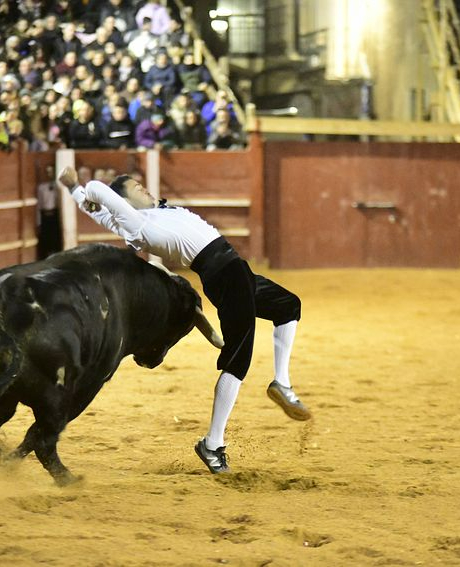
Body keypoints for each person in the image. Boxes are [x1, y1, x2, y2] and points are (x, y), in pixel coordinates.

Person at [57, 166, 311, 475]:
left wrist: (75, 190)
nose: (145, 189)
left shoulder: (148, 216)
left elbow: (99, 209)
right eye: (137, 188)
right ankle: (213, 444)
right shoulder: (137, 223)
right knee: (237, 360)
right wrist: (92, 193)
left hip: (236, 272)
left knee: (288, 306)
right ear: (124, 200)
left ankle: (281, 382)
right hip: (224, 276)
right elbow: (98, 188)